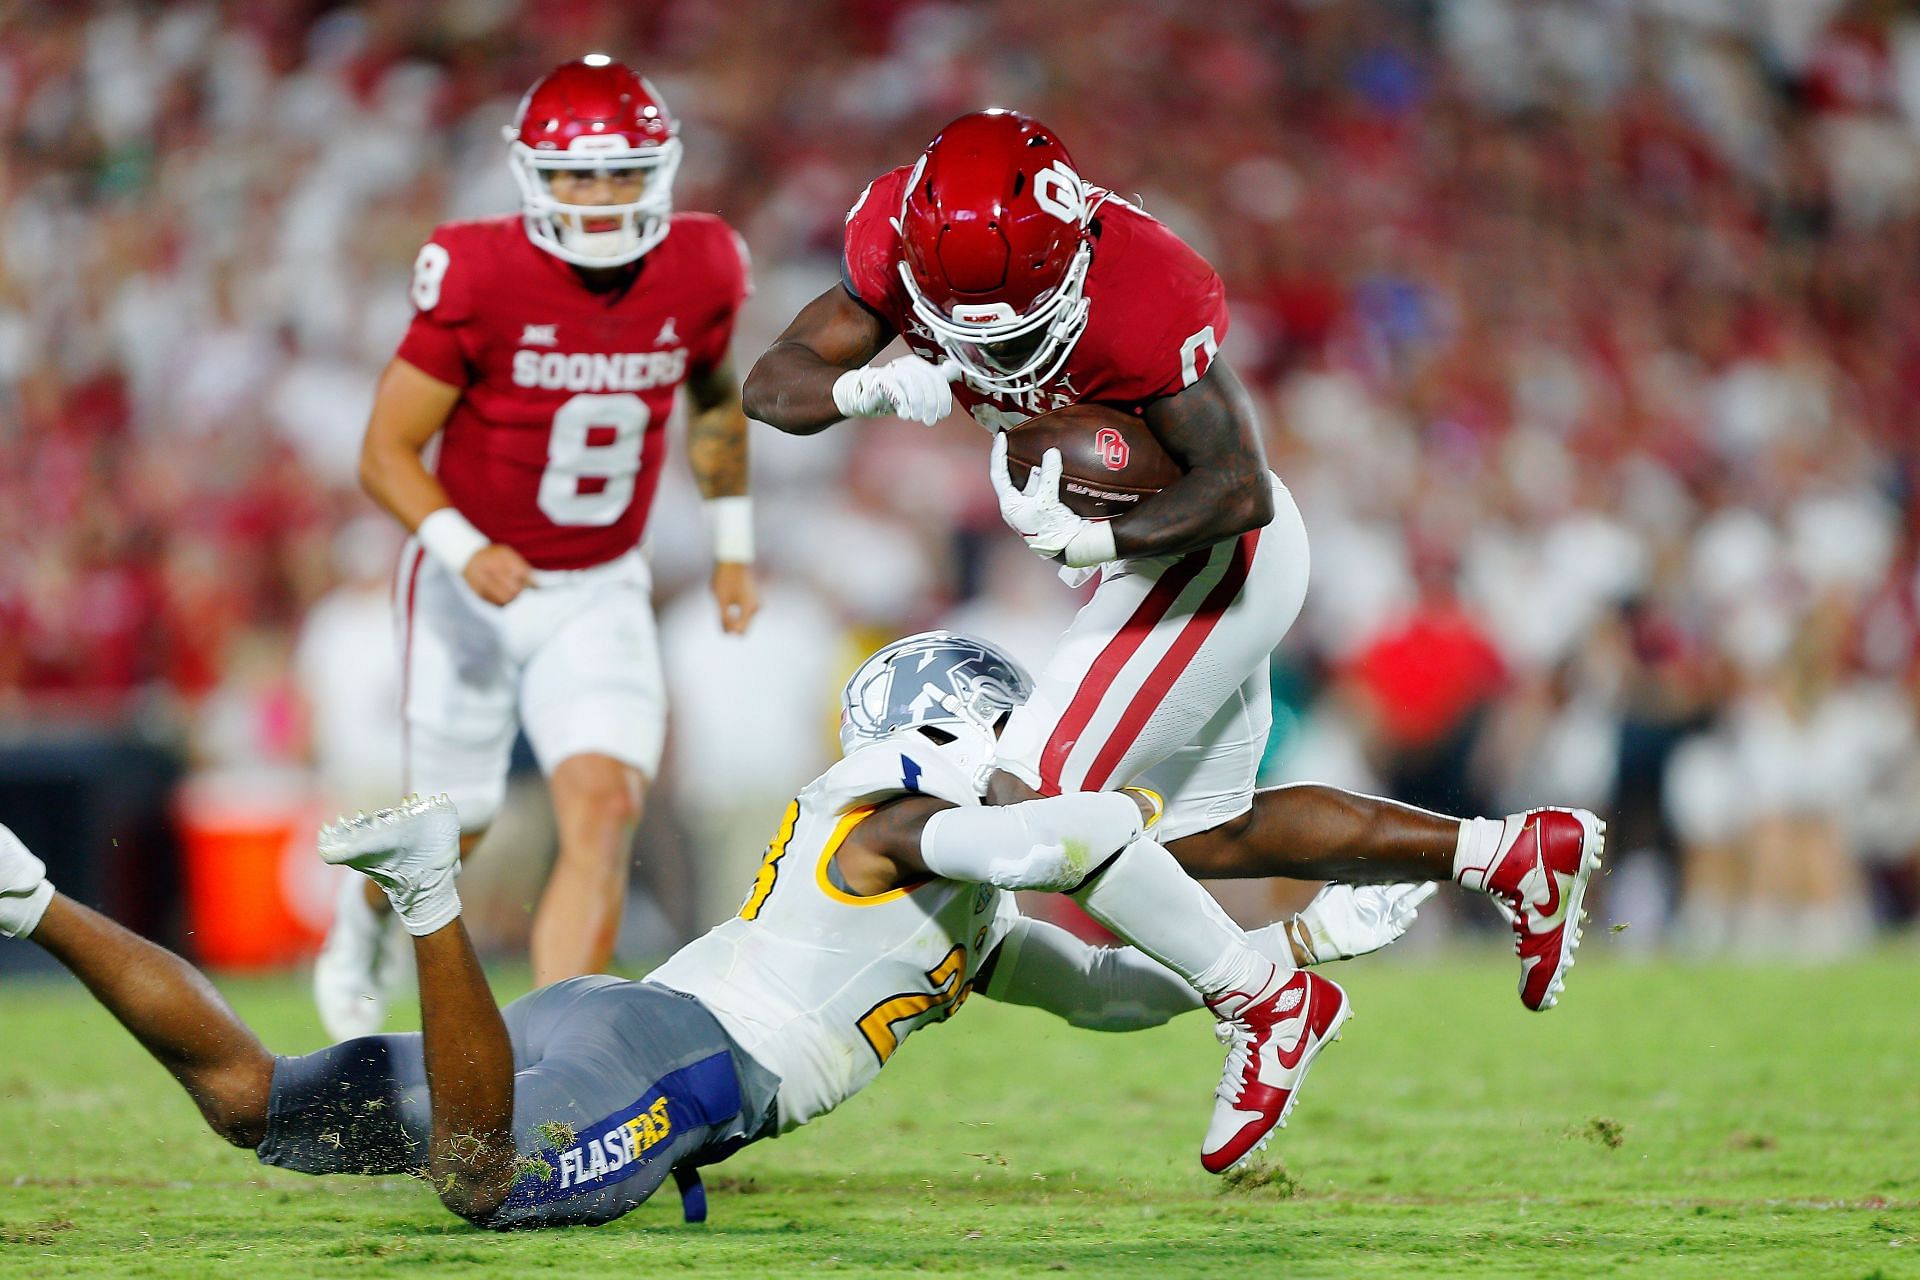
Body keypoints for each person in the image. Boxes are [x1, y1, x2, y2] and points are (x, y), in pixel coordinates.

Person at [0, 633, 1433, 1229]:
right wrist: (1177, 861)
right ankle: (432, 893)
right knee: (479, 1185)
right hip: (676, 1062)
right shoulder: (905, 817)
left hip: (605, 1024)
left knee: (256, 1106)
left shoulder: (960, 896)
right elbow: (1057, 838)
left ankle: (30, 898)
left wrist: (1281, 959)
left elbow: (1113, 993)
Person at [743, 109, 1603, 1012]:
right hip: (1158, 564)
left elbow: (1240, 487)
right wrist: (868, 385)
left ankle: (1264, 1003)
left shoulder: (1147, 285)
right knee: (1209, 833)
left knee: (1032, 799)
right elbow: (770, 384)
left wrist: (1098, 540)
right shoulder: (896, 240)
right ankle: (1508, 856)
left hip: (1214, 555)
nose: (994, 353)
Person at [315, 55, 760, 1038]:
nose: (597, 196)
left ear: (662, 167)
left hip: (600, 582)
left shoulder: (702, 264)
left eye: (618, 171)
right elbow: (384, 451)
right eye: (573, 173)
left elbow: (716, 400)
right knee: (454, 826)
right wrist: (461, 542)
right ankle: (365, 921)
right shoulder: (478, 268)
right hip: (467, 587)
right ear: (530, 175)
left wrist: (733, 540)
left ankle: (556, 1050)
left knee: (602, 806)